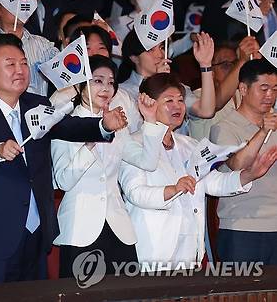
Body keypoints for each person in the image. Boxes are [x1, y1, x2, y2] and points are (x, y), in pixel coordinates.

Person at [0, 33, 128, 285]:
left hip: (37, 230)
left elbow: (68, 126)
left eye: (23, 63)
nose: (20, 70)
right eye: (10, 64)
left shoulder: (37, 104)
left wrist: (103, 125)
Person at [119, 72, 277, 270]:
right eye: (169, 100)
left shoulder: (190, 145)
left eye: (180, 100)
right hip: (153, 249)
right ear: (148, 105)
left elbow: (214, 182)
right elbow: (136, 193)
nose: (177, 106)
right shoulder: (132, 143)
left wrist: (248, 175)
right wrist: (174, 189)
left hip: (189, 250)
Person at [52, 55, 168, 277]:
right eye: (97, 80)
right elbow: (63, 181)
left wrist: (150, 120)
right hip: (80, 228)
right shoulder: (64, 124)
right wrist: (95, 136)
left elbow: (147, 162)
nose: (106, 88)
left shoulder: (118, 125)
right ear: (80, 84)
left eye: (111, 82)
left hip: (118, 227)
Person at [209, 59, 277, 264]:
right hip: (242, 226)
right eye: (263, 88)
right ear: (243, 89)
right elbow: (236, 165)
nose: (270, 96)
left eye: (275, 89)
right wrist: (263, 131)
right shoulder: (224, 128)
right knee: (243, 294)